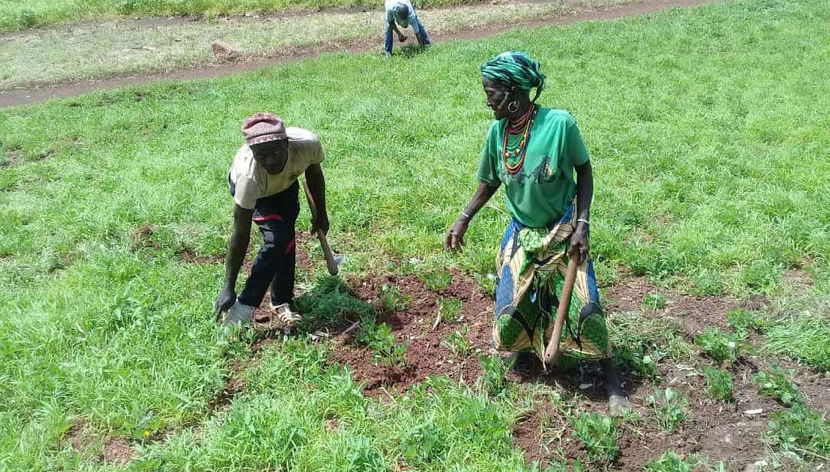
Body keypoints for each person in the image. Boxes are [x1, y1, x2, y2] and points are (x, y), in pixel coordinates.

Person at [445, 51, 629, 413]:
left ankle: (611, 379)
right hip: (521, 231)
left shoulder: (560, 125)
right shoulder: (497, 133)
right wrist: (463, 218)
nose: (486, 99)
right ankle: (526, 356)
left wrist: (583, 224)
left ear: (514, 92)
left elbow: (585, 173)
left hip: (563, 230)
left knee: (587, 304)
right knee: (510, 309)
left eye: (491, 92)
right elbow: (489, 182)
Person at [215, 113, 329, 329]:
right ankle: (244, 306)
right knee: (277, 239)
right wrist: (228, 286)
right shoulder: (247, 178)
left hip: (286, 186)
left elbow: (314, 174)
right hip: (260, 193)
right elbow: (240, 235)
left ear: (286, 142)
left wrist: (321, 214)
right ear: (253, 152)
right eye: (262, 155)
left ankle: (281, 300)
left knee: (285, 238)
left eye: (276, 152)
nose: (270, 161)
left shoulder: (307, 145)